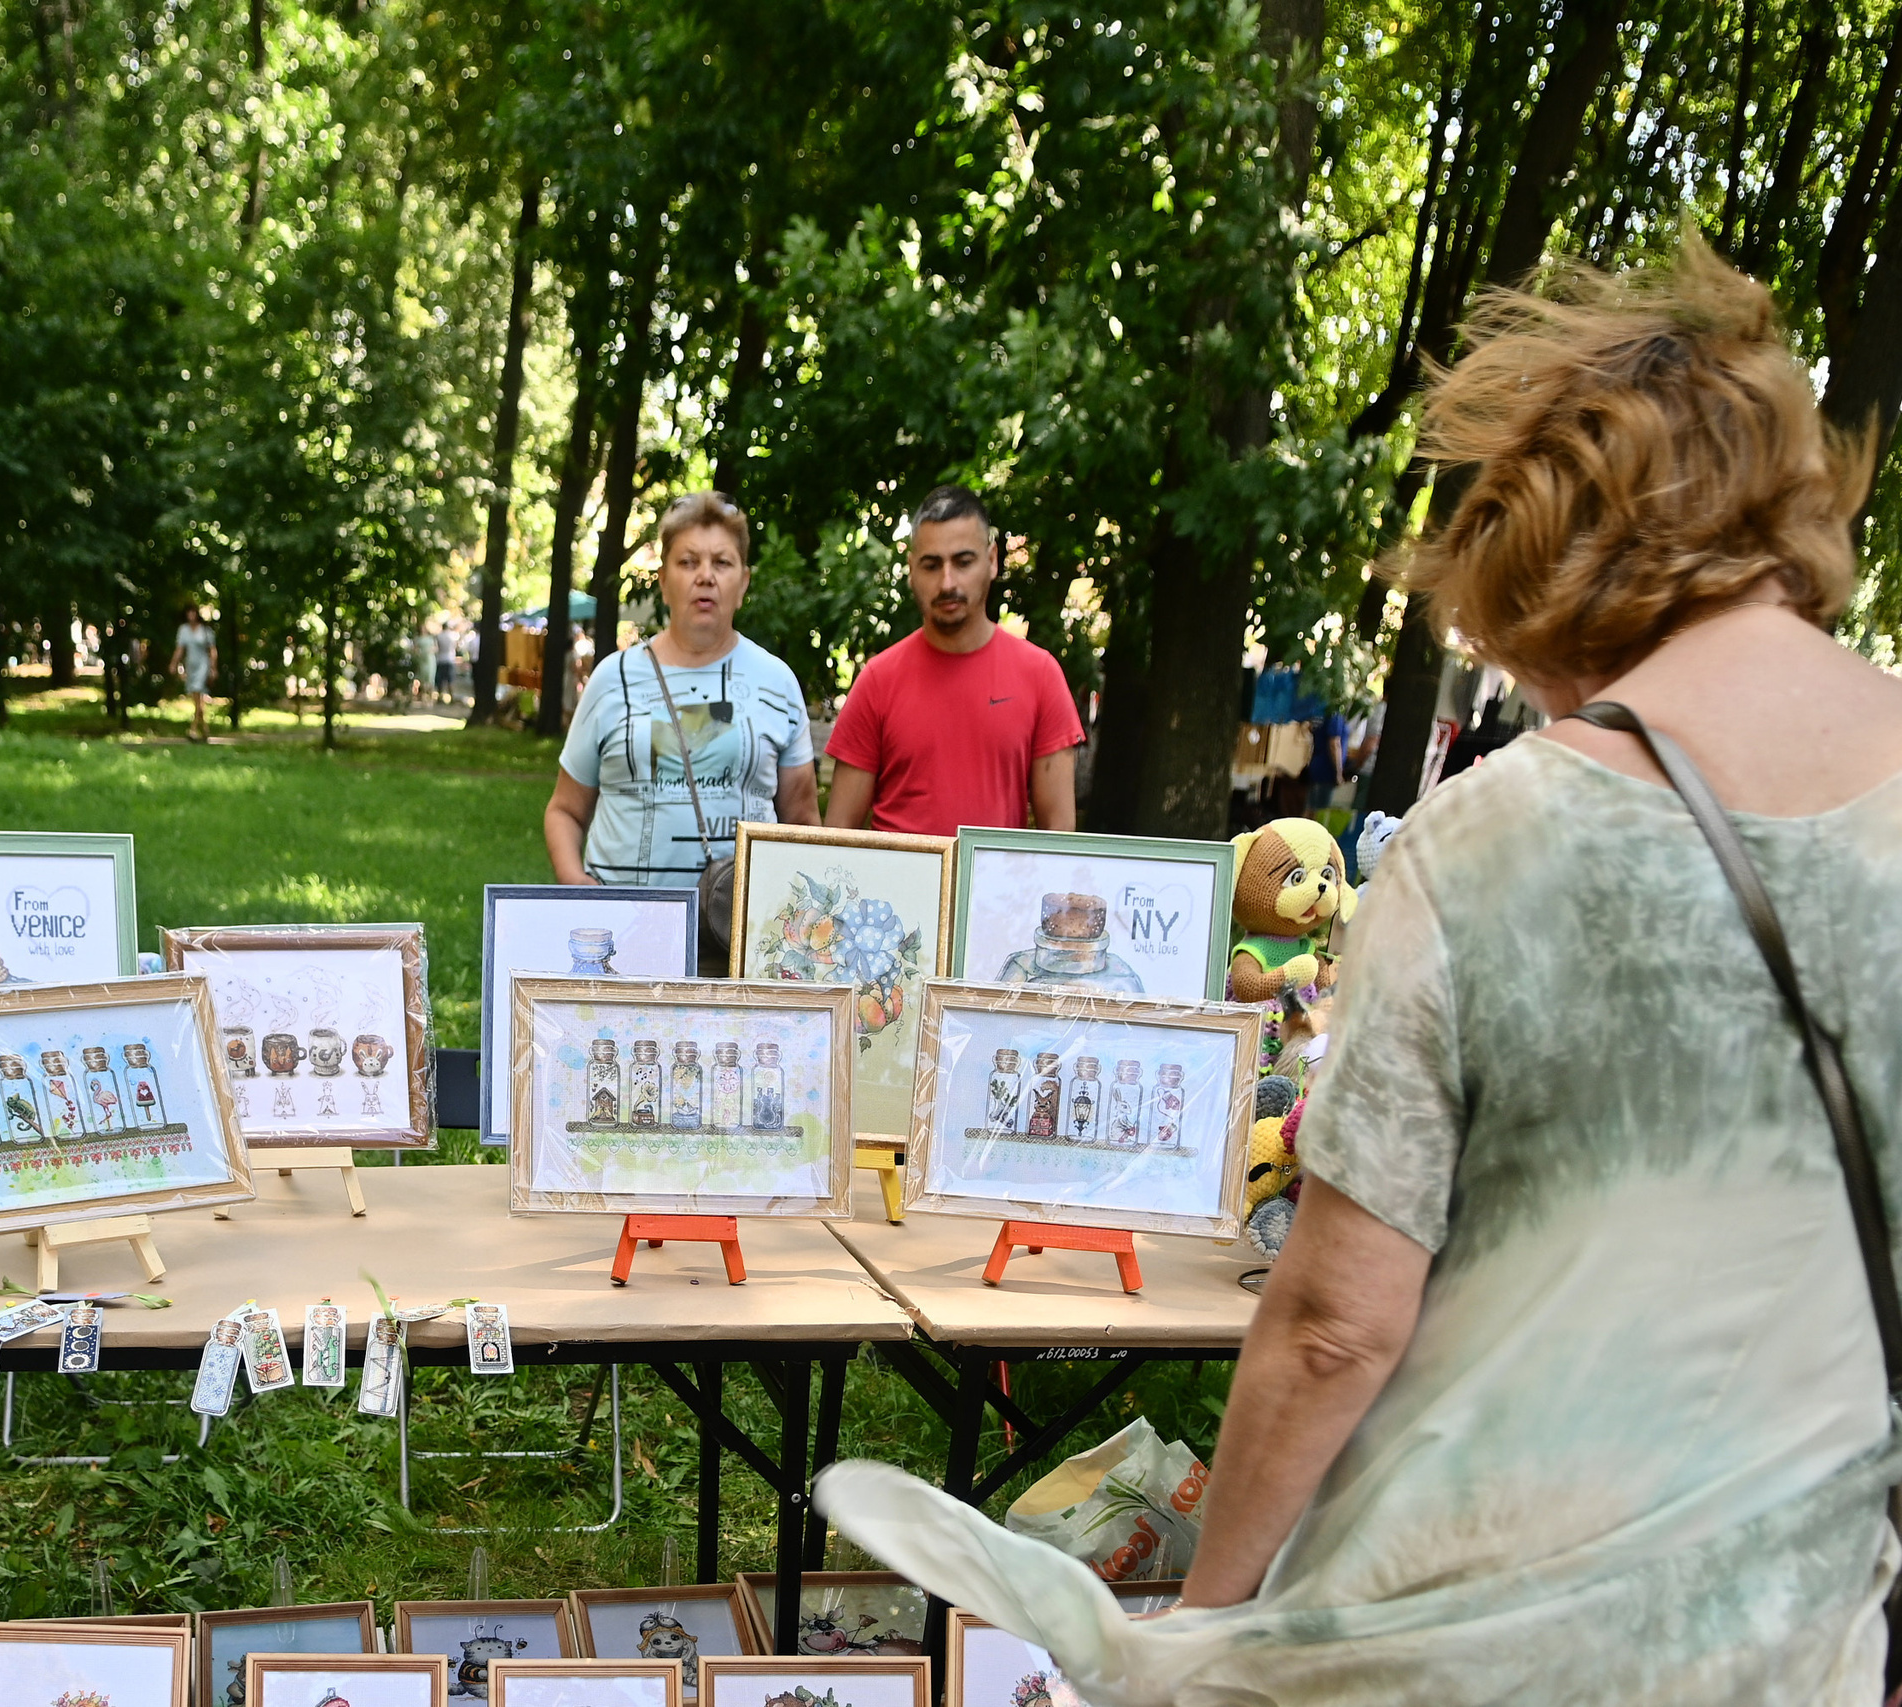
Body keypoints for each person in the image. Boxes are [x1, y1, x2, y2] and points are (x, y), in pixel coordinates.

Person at [815, 237, 1902, 1701]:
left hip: (1464, 1631)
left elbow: (1334, 1320)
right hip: (1799, 1639)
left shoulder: (1502, 835)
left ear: (1562, 543)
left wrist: (1193, 1631)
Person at [545, 491, 820, 889]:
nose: (704, 576)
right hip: (624, 934)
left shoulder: (777, 682)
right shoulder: (612, 679)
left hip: (736, 935)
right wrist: (574, 882)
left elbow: (803, 825)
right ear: (663, 582)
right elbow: (565, 811)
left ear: (743, 582)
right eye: (688, 562)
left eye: (722, 562)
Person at [822, 485, 1082, 836]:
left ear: (991, 561)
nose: (947, 582)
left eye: (963, 562)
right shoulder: (878, 680)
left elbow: (1058, 836)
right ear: (912, 570)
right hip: (897, 890)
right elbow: (837, 837)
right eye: (931, 565)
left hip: (994, 890)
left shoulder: (1040, 675)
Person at [169, 604, 216, 739]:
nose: (191, 616)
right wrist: (174, 663)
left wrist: (213, 667)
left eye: (193, 613)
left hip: (203, 665)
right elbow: (180, 649)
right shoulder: (183, 630)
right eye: (189, 613)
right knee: (197, 697)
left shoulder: (205, 630)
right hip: (191, 666)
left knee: (197, 691)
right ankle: (205, 728)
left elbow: (212, 650)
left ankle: (193, 728)